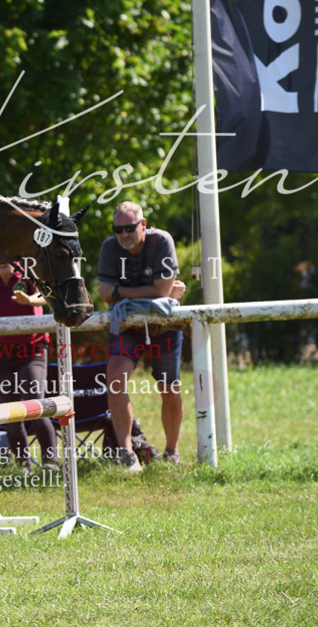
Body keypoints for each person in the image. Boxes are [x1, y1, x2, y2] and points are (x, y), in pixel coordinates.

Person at [96, 201, 186, 472]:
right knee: (114, 377)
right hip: (127, 326)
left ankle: (172, 452)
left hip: (164, 324)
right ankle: (127, 454)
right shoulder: (109, 247)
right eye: (118, 229)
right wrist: (154, 291)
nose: (123, 234)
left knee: (169, 389)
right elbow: (104, 293)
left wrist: (121, 291)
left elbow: (161, 292)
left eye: (129, 228)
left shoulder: (162, 241)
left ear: (143, 224)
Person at [0, 263, 59, 470]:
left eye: (4, 256)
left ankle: (50, 463)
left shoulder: (28, 276)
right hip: (2, 353)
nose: (0, 261)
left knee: (35, 404)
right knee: (12, 412)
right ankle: (23, 465)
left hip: (33, 350)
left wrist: (30, 300)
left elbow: (47, 296)